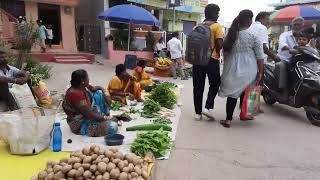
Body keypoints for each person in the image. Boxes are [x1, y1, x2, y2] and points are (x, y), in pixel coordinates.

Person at [219, 10, 264, 128]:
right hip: (250, 69)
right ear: (249, 21)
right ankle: (245, 115)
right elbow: (260, 57)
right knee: (247, 91)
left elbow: (225, 54)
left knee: (233, 94)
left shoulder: (229, 36)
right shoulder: (253, 37)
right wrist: (260, 72)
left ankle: (228, 120)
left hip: (232, 69)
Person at [193, 4, 224, 121]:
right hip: (211, 59)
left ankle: (197, 113)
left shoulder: (196, 27)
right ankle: (208, 107)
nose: (218, 15)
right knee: (215, 83)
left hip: (197, 61)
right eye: (217, 13)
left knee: (198, 86)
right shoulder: (216, 26)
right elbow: (219, 45)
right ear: (213, 14)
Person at [63, 69, 113, 137]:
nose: (89, 79)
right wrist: (105, 118)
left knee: (99, 94)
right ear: (82, 81)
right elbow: (89, 114)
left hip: (87, 115)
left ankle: (104, 116)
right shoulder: (76, 94)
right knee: (112, 127)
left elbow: (96, 88)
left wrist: (104, 91)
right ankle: (85, 129)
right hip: (79, 124)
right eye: (87, 77)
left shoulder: (82, 86)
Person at [276, 17, 304, 97]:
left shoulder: (304, 36)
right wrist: (290, 49)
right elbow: (282, 44)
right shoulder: (285, 35)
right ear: (292, 25)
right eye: (295, 24)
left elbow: (309, 46)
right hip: (284, 59)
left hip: (298, 60)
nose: (297, 26)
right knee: (282, 66)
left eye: (299, 24)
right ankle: (284, 90)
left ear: (302, 25)